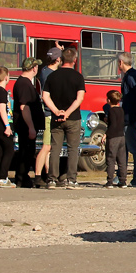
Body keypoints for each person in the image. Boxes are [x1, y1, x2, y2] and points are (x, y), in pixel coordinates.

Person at [42, 47, 86, 189]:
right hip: (73, 118)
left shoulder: (52, 76)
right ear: (75, 60)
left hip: (56, 117)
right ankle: (71, 180)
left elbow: (45, 96)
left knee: (55, 148)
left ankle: (52, 180)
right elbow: (80, 98)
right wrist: (67, 113)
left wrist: (56, 111)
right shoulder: (78, 77)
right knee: (73, 149)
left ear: (61, 59)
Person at [12, 58, 43, 188]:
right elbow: (24, 107)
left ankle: (22, 177)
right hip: (25, 125)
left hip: (27, 125)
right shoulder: (24, 84)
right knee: (26, 152)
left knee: (27, 151)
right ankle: (22, 177)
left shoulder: (24, 83)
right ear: (33, 68)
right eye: (36, 67)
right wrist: (31, 127)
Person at [33, 47, 61, 186]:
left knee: (49, 148)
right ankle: (38, 176)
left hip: (48, 113)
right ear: (58, 60)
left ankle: (49, 175)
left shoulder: (44, 71)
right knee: (46, 146)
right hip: (50, 114)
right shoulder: (51, 75)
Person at [117, 54, 136, 187]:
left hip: (129, 116)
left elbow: (133, 97)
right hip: (132, 115)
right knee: (127, 146)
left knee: (132, 146)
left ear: (121, 62)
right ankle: (123, 175)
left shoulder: (130, 77)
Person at [103, 89, 126, 187]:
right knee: (122, 160)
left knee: (110, 159)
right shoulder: (121, 110)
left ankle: (110, 181)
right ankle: (123, 181)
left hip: (113, 137)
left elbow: (113, 125)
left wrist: (106, 134)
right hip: (122, 136)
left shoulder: (111, 111)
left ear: (108, 100)